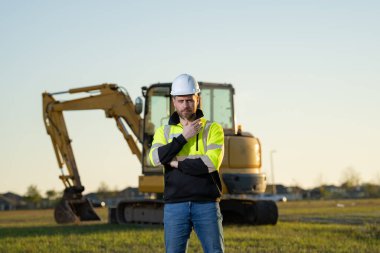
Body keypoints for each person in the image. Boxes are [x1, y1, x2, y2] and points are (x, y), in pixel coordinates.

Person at [149, 73, 225, 253]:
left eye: (189, 100)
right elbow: (155, 158)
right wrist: (184, 137)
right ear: (173, 101)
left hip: (206, 204)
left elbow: (210, 164)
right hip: (175, 205)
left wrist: (175, 162)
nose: (185, 105)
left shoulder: (212, 129)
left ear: (197, 99)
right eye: (181, 101)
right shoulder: (164, 131)